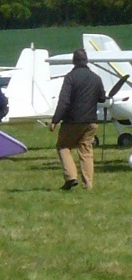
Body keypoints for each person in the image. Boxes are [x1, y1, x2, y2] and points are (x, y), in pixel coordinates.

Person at [50, 48, 105, 191]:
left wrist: (55, 120)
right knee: (86, 152)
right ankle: (88, 185)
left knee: (63, 146)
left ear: (73, 61)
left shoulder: (70, 77)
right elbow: (102, 98)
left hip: (72, 121)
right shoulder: (96, 78)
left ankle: (71, 177)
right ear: (86, 60)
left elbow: (64, 101)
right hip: (91, 121)